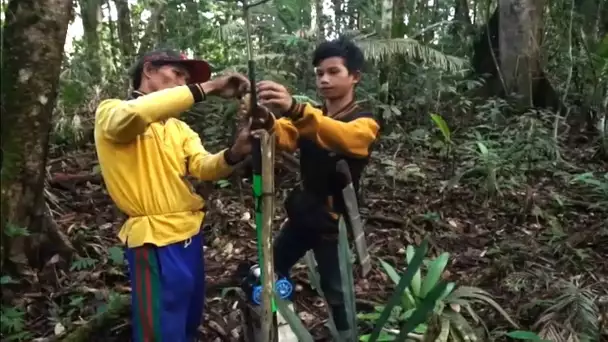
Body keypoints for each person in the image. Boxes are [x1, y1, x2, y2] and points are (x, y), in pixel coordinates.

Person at [94, 48, 252, 342]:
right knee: (161, 328)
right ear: (149, 70)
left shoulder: (179, 128)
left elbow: (203, 166)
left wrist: (233, 153)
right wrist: (210, 86)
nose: (182, 82)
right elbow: (137, 113)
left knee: (187, 319)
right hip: (154, 239)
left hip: (188, 235)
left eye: (187, 78)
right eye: (177, 73)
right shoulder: (112, 111)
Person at [241, 37, 380, 338]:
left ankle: (345, 336)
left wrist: (295, 108)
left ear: (355, 76)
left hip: (333, 224)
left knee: (338, 295)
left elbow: (344, 137)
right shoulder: (313, 115)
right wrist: (266, 120)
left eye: (333, 72)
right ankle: (280, 327)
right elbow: (286, 135)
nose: (324, 79)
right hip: (304, 215)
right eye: (319, 73)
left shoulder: (364, 121)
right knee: (267, 271)